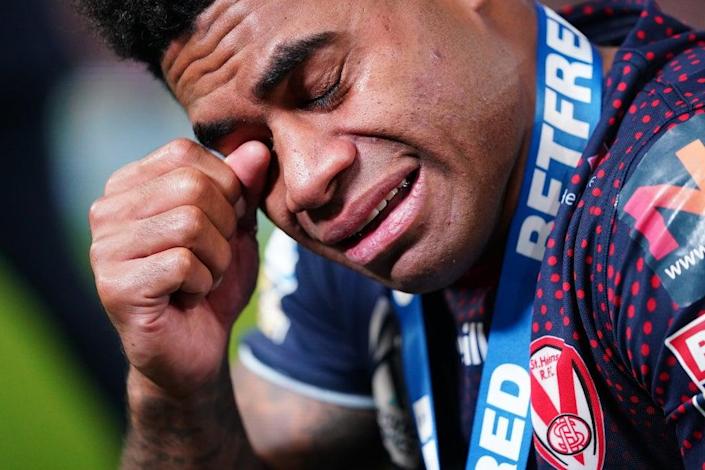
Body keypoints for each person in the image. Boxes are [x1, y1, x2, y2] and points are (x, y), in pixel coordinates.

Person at [80, 0, 705, 468]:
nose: (302, 182)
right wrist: (175, 391)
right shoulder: (367, 225)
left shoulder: (676, 206)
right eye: (254, 148)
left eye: (324, 87)